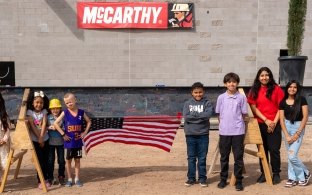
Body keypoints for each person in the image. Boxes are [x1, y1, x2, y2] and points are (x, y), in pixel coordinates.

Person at [247, 67, 284, 184]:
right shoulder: (254, 90)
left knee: (274, 150)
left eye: (267, 75)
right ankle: (264, 173)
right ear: (258, 77)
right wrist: (266, 120)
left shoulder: (277, 89)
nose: (264, 77)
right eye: (262, 75)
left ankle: (276, 173)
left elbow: (281, 107)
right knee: (262, 150)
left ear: (270, 76)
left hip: (275, 124)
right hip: (261, 123)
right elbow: (253, 107)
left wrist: (273, 122)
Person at [215, 73, 248, 191]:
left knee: (238, 157)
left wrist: (237, 124)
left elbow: (244, 114)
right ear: (225, 84)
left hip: (238, 132)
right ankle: (223, 179)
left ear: (237, 83)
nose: (231, 84)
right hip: (224, 132)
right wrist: (224, 125)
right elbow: (219, 114)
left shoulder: (242, 97)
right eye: (229, 82)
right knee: (224, 157)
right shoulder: (221, 98)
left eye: (234, 82)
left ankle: (239, 180)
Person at [54, 93, 91, 187]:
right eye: (66, 103)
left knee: (77, 161)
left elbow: (89, 122)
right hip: (69, 143)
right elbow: (55, 123)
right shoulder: (65, 112)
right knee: (68, 161)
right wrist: (63, 134)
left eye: (70, 101)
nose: (69, 104)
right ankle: (70, 179)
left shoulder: (81, 112)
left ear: (75, 100)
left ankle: (77, 178)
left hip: (78, 142)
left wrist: (85, 132)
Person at [279, 80, 311, 187]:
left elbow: (305, 117)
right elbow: (281, 120)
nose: (292, 89)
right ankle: (292, 178)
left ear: (297, 89)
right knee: (290, 155)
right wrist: (287, 135)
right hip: (287, 128)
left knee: (292, 156)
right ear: (287, 88)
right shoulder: (282, 102)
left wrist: (297, 133)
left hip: (298, 127)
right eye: (290, 87)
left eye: (295, 87)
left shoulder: (302, 100)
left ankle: (305, 173)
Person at [182, 82, 213, 187]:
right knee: (191, 158)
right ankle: (191, 178)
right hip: (190, 135)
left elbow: (208, 115)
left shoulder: (207, 103)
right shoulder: (187, 103)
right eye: (196, 92)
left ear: (203, 92)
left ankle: (202, 178)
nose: (198, 94)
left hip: (203, 134)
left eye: (200, 92)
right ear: (192, 93)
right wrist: (200, 117)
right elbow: (187, 117)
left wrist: (194, 116)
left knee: (202, 157)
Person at [26, 90, 50, 189]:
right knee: (39, 161)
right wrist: (39, 139)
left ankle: (46, 178)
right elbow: (32, 125)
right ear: (32, 103)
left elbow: (44, 123)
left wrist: (42, 138)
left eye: (41, 102)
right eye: (37, 102)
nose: (39, 104)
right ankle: (40, 180)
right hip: (36, 141)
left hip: (45, 139)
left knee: (46, 160)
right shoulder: (29, 112)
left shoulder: (44, 112)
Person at [47, 98, 66, 185]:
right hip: (50, 143)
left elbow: (66, 129)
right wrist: (49, 127)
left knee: (61, 161)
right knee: (50, 161)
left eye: (57, 108)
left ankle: (61, 176)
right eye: (53, 108)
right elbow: (43, 127)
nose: (55, 110)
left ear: (60, 109)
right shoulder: (48, 118)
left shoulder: (62, 118)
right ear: (50, 109)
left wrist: (59, 128)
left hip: (60, 143)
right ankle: (50, 177)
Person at [0, 93, 11, 180]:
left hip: (3, 143)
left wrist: (4, 140)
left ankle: (2, 180)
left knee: (4, 162)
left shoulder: (4, 115)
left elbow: (8, 129)